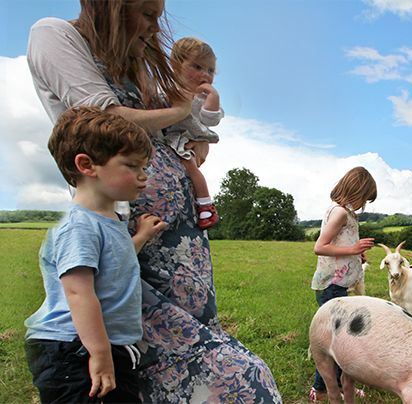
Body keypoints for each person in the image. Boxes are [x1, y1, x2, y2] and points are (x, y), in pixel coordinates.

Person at [27, 1, 281, 402]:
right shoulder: (54, 34)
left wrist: (191, 134)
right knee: (209, 367)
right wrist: (179, 110)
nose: (154, 24)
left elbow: (186, 129)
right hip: (129, 230)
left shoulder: (138, 62)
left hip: (177, 236)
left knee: (185, 348)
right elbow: (105, 115)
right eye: (146, 13)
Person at [24, 107, 167, 403]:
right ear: (87, 165)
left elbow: (113, 263)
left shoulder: (108, 220)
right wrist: (100, 354)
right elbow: (78, 293)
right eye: (132, 166)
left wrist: (139, 237)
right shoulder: (79, 226)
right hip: (73, 349)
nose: (143, 177)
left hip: (98, 346)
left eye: (145, 168)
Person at [308, 167, 377, 402]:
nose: (363, 205)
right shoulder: (339, 213)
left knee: (338, 341)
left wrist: (356, 255)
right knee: (334, 345)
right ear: (356, 190)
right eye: (364, 198)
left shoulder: (345, 212)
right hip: (331, 286)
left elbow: (339, 243)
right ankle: (322, 390)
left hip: (338, 285)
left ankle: (333, 386)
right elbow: (320, 246)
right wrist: (353, 249)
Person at [167, 37, 223, 230]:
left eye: (210, 70)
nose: (205, 75)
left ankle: (206, 204)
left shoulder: (203, 98)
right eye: (197, 67)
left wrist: (213, 99)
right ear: (175, 66)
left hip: (186, 138)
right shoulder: (167, 90)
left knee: (190, 166)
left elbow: (211, 120)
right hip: (168, 138)